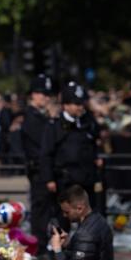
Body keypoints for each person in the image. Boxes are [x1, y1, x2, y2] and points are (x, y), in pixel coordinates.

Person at [40, 81, 102, 226]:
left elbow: (95, 143)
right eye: (76, 104)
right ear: (66, 105)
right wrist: (49, 179)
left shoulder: (88, 122)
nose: (80, 107)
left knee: (88, 218)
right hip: (65, 180)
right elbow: (46, 153)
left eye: (82, 103)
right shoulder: (55, 126)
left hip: (86, 178)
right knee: (63, 219)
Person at [21, 74, 56, 248]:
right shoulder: (32, 117)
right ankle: (40, 244)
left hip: (43, 168)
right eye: (43, 93)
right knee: (40, 209)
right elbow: (43, 143)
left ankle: (43, 242)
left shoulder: (38, 116)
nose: (46, 98)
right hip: (39, 170)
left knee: (46, 208)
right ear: (33, 95)